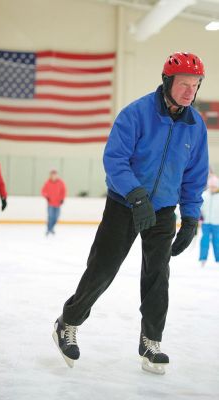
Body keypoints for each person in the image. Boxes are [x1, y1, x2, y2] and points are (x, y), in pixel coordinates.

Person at [52, 52, 209, 375]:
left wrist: (191, 217)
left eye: (195, 86)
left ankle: (151, 342)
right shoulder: (136, 113)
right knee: (103, 269)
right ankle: (67, 322)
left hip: (164, 209)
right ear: (168, 82)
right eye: (183, 84)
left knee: (158, 276)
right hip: (125, 204)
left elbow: (194, 176)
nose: (189, 92)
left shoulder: (196, 127)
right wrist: (136, 196)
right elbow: (115, 159)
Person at [199, 174, 219, 266]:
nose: (212, 188)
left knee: (217, 241)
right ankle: (203, 258)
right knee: (205, 240)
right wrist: (200, 216)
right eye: (211, 186)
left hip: (217, 223)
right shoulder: (204, 195)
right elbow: (199, 207)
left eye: (214, 186)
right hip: (206, 223)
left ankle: (218, 258)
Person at [41, 170, 66, 236]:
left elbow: (64, 191)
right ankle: (49, 229)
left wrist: (62, 199)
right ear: (50, 175)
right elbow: (43, 191)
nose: (54, 176)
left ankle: (51, 228)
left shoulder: (61, 182)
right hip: (50, 204)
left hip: (58, 203)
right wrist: (47, 197)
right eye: (52, 175)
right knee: (50, 217)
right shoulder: (47, 183)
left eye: (55, 175)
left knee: (56, 217)